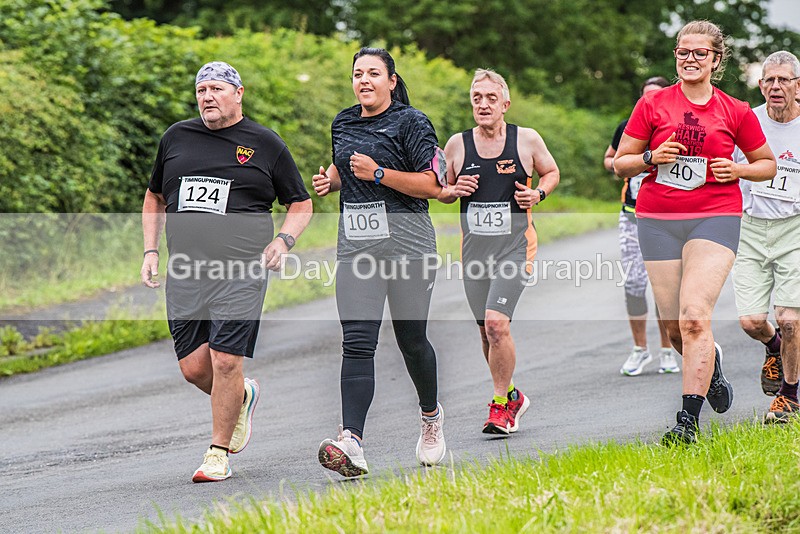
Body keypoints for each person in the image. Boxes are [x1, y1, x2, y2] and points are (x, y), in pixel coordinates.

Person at [141, 61, 312, 482]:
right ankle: (243, 396)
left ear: (238, 93)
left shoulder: (265, 143)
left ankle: (217, 453)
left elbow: (300, 202)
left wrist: (283, 241)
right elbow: (154, 196)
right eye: (201, 90)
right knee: (194, 369)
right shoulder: (176, 137)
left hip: (242, 270)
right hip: (186, 271)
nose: (207, 97)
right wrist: (150, 250)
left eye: (217, 88)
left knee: (224, 360)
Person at [613, 20, 776, 445]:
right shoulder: (652, 106)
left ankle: (687, 423)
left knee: (693, 318)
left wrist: (739, 169)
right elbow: (620, 163)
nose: (690, 59)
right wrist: (652, 155)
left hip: (715, 215)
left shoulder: (734, 110)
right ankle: (713, 366)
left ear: (716, 59)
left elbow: (766, 164)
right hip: (657, 219)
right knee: (673, 331)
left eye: (699, 53)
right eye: (683, 52)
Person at [312, 48, 447, 477]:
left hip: (409, 249)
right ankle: (351, 441)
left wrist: (378, 173)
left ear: (392, 80)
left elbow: (432, 184)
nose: (364, 80)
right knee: (356, 342)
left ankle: (430, 417)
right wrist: (331, 180)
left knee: (411, 341)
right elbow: (344, 165)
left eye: (373, 73)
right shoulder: (343, 121)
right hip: (357, 249)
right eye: (357, 73)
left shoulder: (412, 122)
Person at [439, 69, 559, 435]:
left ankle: (499, 407)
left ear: (505, 104)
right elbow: (439, 190)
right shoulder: (457, 145)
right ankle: (512, 395)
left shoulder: (526, 140)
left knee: (496, 324)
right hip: (475, 252)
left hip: (515, 247)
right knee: (485, 332)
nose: (483, 104)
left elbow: (551, 172)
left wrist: (538, 193)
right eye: (477, 98)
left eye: (491, 98)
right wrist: (455, 188)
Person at [731, 51, 800, 423]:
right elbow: (723, 164)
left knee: (791, 319)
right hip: (750, 228)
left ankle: (789, 396)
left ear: (798, 86)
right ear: (760, 85)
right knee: (752, 322)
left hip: (795, 228)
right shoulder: (748, 121)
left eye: (783, 80)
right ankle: (773, 348)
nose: (776, 86)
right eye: (769, 80)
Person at [603, 77, 679, 376]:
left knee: (665, 289)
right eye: (646, 97)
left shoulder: (678, 126)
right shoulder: (627, 127)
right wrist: (631, 164)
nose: (652, 102)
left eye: (658, 96)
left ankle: (667, 351)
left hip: (667, 218)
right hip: (632, 215)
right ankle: (639, 350)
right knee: (634, 283)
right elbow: (610, 159)